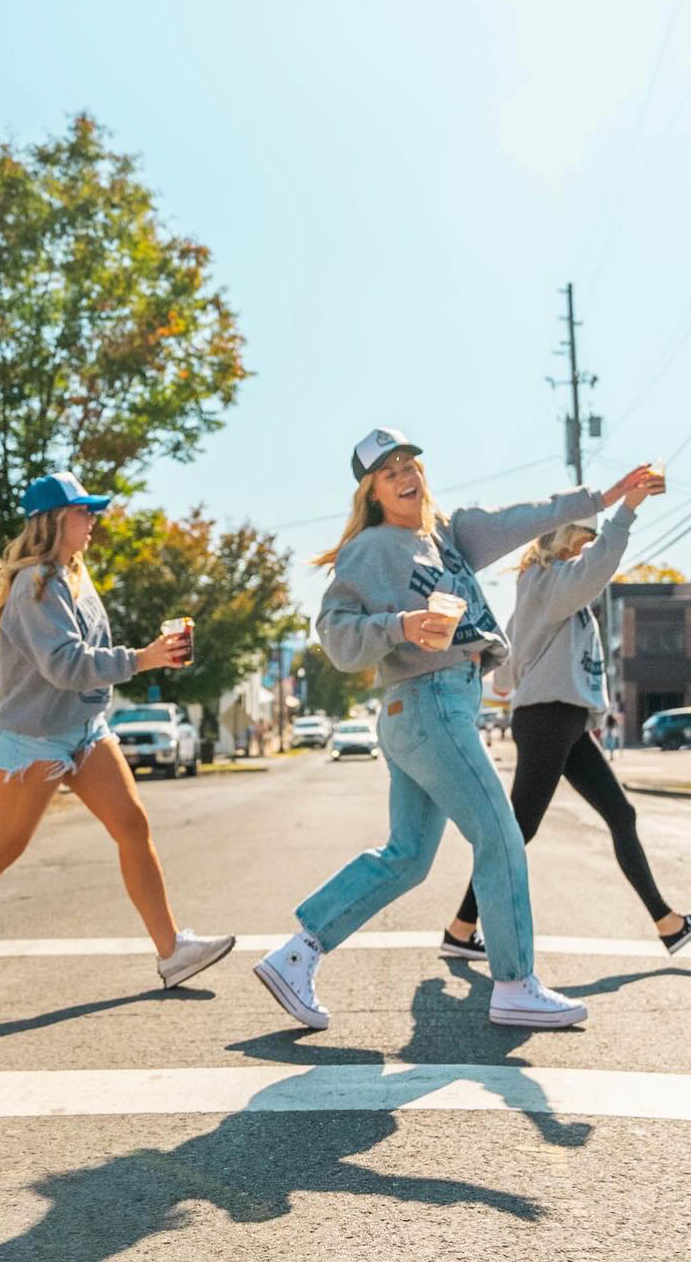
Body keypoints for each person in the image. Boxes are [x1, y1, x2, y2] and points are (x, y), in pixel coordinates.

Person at [253, 426, 657, 1031]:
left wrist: (605, 499)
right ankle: (516, 982)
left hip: (438, 708)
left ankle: (297, 953)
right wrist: (400, 626)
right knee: (500, 835)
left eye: (409, 464)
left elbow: (530, 516)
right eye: (389, 473)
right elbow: (336, 637)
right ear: (372, 493)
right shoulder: (370, 549)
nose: (405, 476)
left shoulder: (449, 534)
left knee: (408, 857)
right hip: (426, 703)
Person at [0, 470, 235, 994]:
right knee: (2, 849)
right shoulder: (37, 583)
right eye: (84, 511)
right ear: (55, 520)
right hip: (34, 739)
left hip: (83, 728)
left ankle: (172, 952)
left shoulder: (73, 575)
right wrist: (142, 659)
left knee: (132, 826)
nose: (93, 519)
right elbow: (63, 663)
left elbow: (16, 660)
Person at [440, 491, 691, 965]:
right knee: (516, 831)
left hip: (562, 719)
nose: (588, 545)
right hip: (550, 717)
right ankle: (461, 928)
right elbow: (598, 568)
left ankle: (668, 924)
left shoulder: (543, 587)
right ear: (564, 535)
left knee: (619, 815)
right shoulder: (550, 580)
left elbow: (507, 672)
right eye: (584, 536)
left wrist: (521, 671)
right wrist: (626, 511)